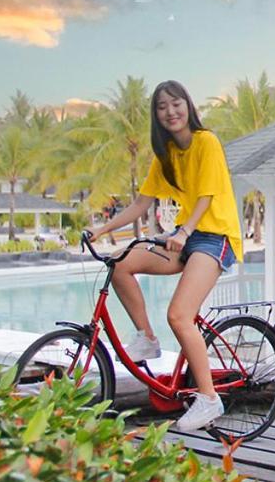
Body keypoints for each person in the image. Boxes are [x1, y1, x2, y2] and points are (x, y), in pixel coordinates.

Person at [85, 80, 243, 432]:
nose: (170, 112)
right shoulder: (166, 154)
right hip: (185, 237)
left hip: (214, 236)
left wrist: (184, 232)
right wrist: (102, 229)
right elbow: (142, 203)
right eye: (161, 107)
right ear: (155, 115)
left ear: (188, 105)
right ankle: (146, 337)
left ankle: (208, 398)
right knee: (122, 265)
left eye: (176, 104)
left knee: (179, 315)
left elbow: (207, 196)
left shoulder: (206, 142)